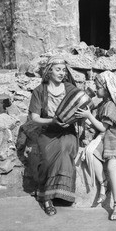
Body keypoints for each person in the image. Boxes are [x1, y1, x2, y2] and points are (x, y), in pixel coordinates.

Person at [75, 71, 116, 221]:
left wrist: (89, 116)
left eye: (98, 87)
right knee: (91, 153)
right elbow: (101, 128)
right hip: (105, 138)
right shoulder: (104, 103)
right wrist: (86, 119)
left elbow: (104, 127)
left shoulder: (110, 105)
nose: (96, 90)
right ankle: (103, 184)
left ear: (106, 88)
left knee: (111, 166)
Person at [28, 56, 79, 216]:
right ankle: (46, 197)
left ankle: (63, 193)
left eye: (64, 70)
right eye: (58, 69)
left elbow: (81, 106)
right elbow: (34, 118)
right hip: (48, 132)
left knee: (64, 149)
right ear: (49, 71)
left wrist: (75, 117)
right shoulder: (39, 91)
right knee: (49, 157)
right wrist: (53, 120)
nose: (62, 73)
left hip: (67, 131)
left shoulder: (70, 88)